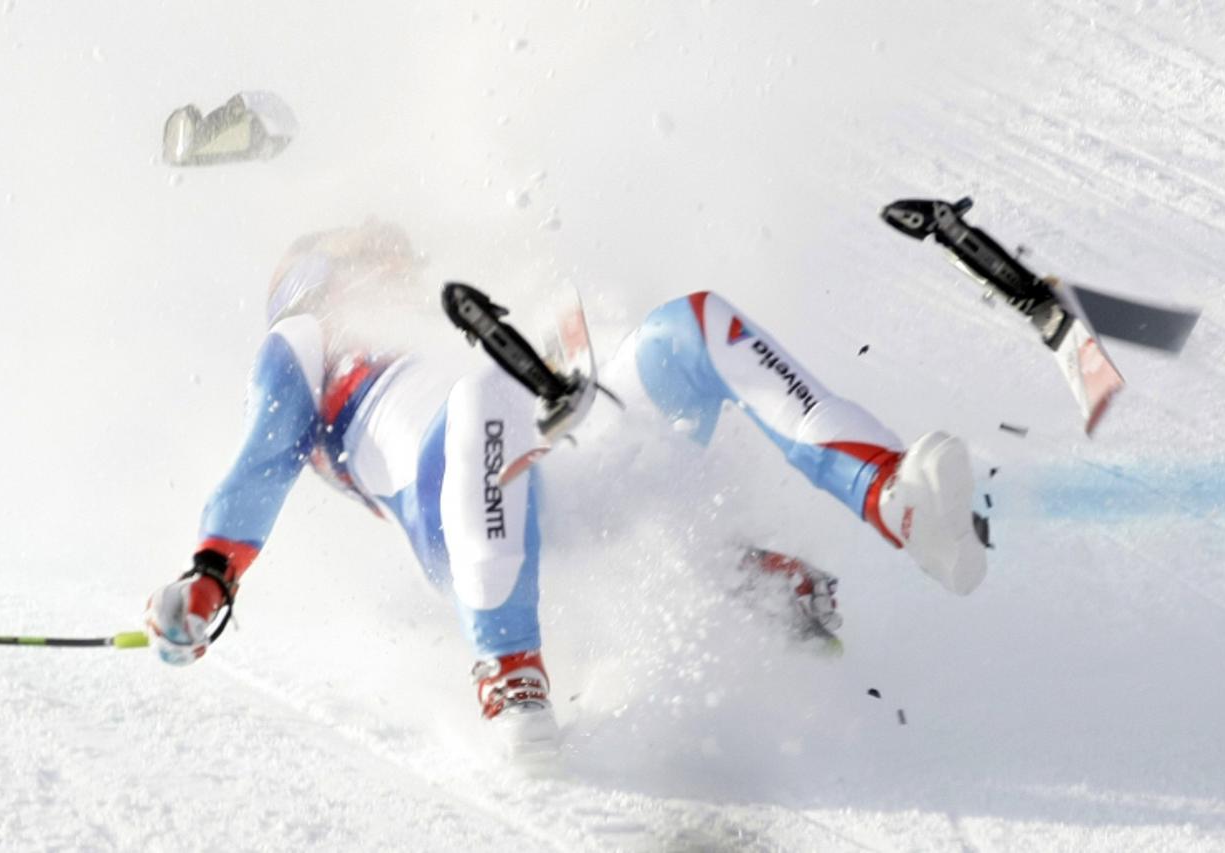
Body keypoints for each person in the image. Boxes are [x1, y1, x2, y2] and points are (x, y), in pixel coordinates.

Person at [144, 220, 988, 757]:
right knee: (486, 388)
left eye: (401, 254)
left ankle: (884, 493)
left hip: (554, 474)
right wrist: (213, 568)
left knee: (693, 323)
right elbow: (262, 455)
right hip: (453, 504)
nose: (397, 265)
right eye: (372, 256)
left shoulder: (453, 319)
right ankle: (510, 671)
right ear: (317, 283)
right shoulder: (312, 339)